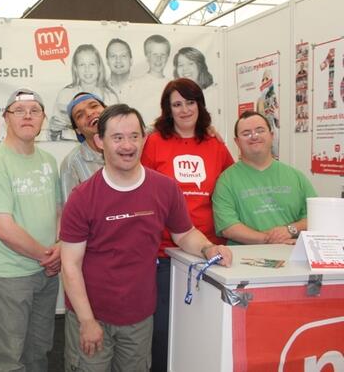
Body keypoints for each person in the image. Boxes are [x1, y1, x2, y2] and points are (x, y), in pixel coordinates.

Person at [61, 104, 232, 372]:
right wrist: (86, 321)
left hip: (139, 317)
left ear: (144, 138)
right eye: (117, 138)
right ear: (100, 141)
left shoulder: (165, 188)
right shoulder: (82, 197)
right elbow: (70, 264)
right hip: (92, 315)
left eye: (134, 136)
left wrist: (208, 248)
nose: (127, 145)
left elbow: (184, 234)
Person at [140, 78, 234, 372]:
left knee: (202, 328)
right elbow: (142, 189)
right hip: (164, 253)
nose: (184, 110)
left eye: (190, 102)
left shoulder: (215, 144)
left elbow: (230, 186)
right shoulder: (154, 142)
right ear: (167, 109)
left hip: (208, 250)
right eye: (176, 104)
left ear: (200, 104)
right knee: (163, 330)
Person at [0, 88, 62, 371]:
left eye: (35, 111)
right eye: (19, 111)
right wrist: (49, 257)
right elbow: (5, 229)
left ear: (43, 119)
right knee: (8, 358)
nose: (27, 116)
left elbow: (58, 211)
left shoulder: (48, 161)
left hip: (45, 273)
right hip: (8, 275)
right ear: (6, 118)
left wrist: (59, 246)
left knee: (39, 351)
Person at [213, 110, 318, 245]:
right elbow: (228, 228)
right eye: (246, 133)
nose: (254, 136)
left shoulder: (296, 177)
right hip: (245, 257)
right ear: (237, 142)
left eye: (260, 130)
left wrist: (290, 230)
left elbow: (316, 216)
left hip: (291, 253)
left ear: (271, 135)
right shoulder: (226, 181)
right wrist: (269, 239)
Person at [49, 44, 119, 141]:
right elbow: (53, 133)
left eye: (92, 64)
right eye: (82, 65)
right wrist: (54, 129)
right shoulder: (65, 95)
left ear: (99, 67)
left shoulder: (110, 97)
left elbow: (117, 130)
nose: (87, 69)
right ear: (75, 68)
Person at [60, 92, 106, 203]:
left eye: (94, 106)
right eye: (80, 115)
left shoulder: (130, 147)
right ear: (77, 130)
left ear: (107, 110)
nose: (89, 113)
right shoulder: (71, 164)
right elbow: (70, 209)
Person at [133, 35, 172, 126]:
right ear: (147, 56)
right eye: (155, 54)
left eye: (163, 55)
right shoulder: (135, 85)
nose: (159, 59)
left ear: (168, 57)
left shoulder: (172, 86)